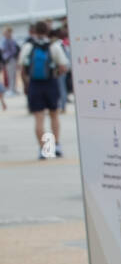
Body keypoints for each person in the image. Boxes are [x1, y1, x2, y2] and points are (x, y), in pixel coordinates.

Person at [18, 20, 69, 160]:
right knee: (54, 115)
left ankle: (44, 149)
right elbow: (64, 66)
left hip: (35, 84)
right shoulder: (54, 46)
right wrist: (56, 73)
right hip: (51, 83)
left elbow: (22, 67)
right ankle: (56, 145)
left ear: (34, 31)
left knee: (39, 118)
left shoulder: (28, 46)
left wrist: (26, 84)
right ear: (47, 31)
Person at [2, 27, 20, 97]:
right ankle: (12, 89)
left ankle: (12, 89)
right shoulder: (7, 40)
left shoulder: (10, 40)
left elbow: (13, 50)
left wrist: (7, 55)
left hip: (11, 59)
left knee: (12, 75)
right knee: (11, 75)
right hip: (10, 59)